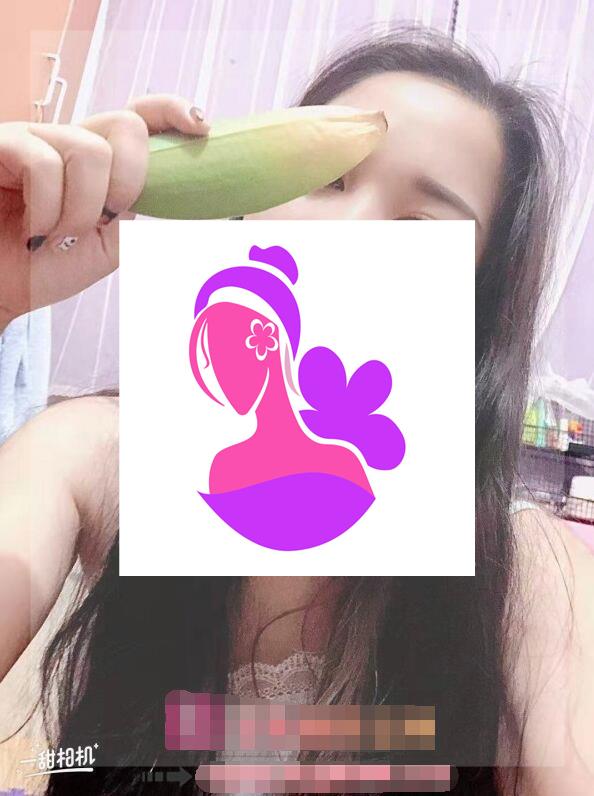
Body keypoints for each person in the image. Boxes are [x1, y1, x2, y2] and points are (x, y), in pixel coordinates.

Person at [1, 26, 593, 796]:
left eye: (419, 227)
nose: (344, 235)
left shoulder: (525, 573)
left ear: (473, 312)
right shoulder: (95, 455)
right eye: (325, 180)